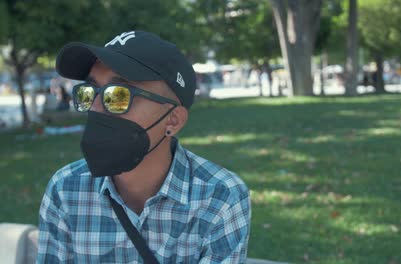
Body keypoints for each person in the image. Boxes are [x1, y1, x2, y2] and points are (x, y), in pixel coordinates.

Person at [37, 30, 251, 263]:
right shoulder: (66, 190)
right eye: (90, 92)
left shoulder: (219, 197)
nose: (95, 108)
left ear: (173, 120)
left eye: (118, 94)